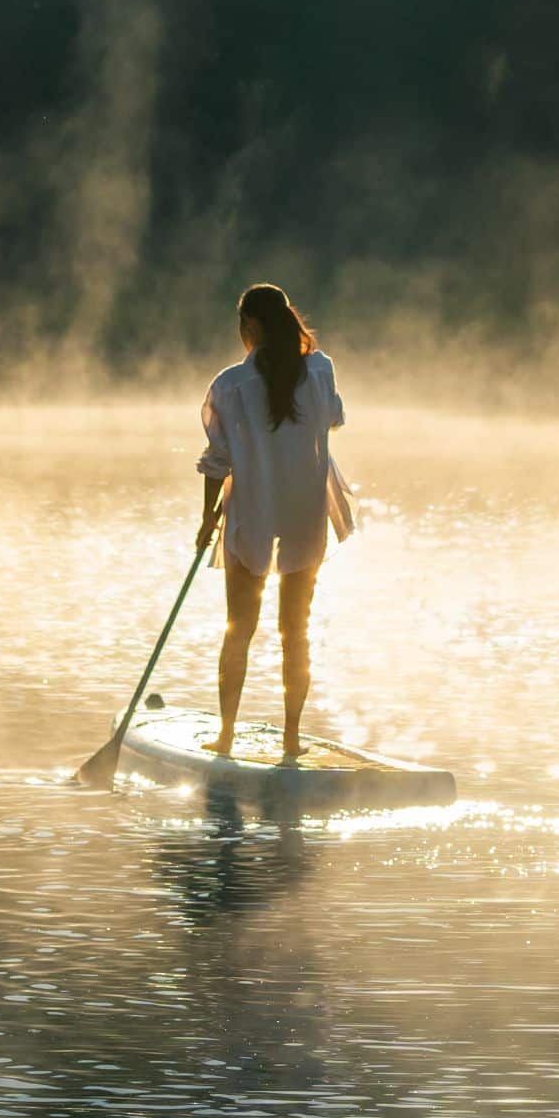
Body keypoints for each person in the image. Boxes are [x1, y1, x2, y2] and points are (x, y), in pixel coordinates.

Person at [194, 283, 358, 762]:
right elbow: (332, 419)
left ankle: (225, 737)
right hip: (306, 514)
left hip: (253, 514)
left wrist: (207, 519)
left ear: (249, 327)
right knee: (296, 631)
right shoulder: (320, 369)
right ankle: (290, 739)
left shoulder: (228, 385)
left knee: (238, 628)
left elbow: (217, 460)